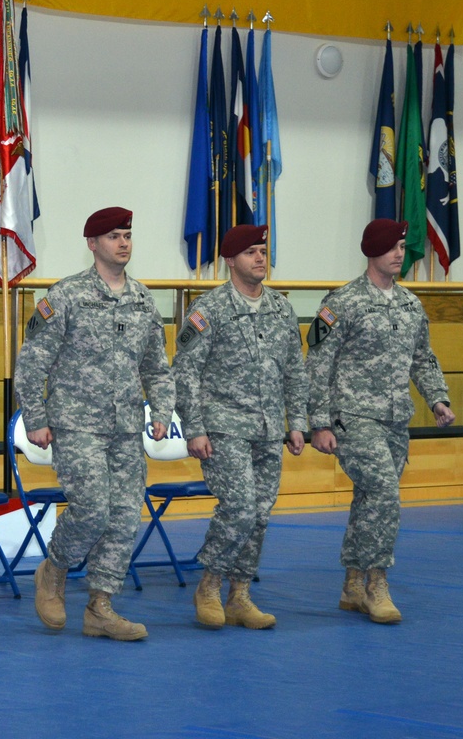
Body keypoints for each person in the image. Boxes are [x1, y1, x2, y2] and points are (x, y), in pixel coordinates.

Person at [14, 207, 175, 641]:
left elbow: (156, 367)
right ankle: (54, 570)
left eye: (127, 235)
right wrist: (35, 418)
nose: (123, 243)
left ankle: (101, 607)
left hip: (125, 426)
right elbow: (32, 363)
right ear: (92, 244)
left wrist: (160, 411)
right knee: (92, 509)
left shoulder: (142, 299)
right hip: (76, 423)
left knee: (124, 517)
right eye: (113, 236)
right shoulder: (65, 296)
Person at [306, 218, 455, 624]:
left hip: (394, 419)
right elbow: (318, 363)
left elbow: (422, 357)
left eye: (402, 247)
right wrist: (318, 422)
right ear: (372, 251)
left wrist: (437, 399)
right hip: (352, 416)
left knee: (371, 498)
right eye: (391, 247)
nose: (398, 254)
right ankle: (377, 584)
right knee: (385, 493)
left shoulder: (410, 304)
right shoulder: (342, 302)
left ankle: (352, 583)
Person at [172, 224, 308, 629]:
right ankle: (209, 586)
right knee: (240, 509)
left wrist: (297, 422)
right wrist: (194, 427)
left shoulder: (281, 309)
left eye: (263, 250)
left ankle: (240, 595)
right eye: (250, 252)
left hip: (268, 429)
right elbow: (186, 372)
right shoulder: (208, 310)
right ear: (230, 261)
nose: (260, 258)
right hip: (223, 427)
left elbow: (295, 372)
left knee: (260, 515)